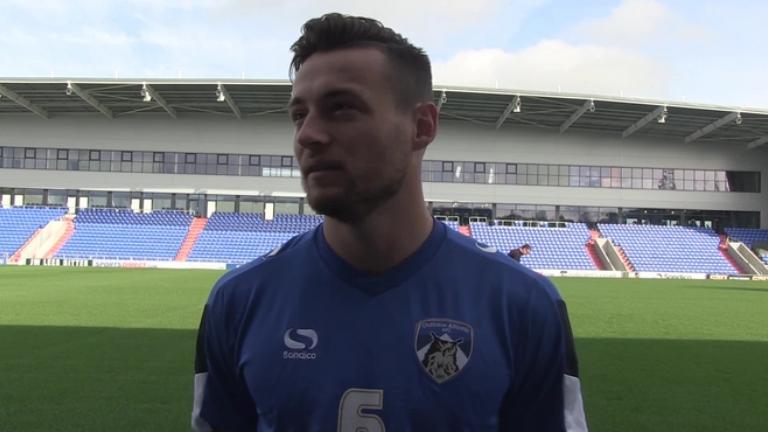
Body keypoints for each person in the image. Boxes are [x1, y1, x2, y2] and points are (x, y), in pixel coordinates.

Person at [192, 13, 587, 432]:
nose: (307, 135)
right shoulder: (238, 301)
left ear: (422, 126)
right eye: (299, 115)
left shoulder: (522, 305)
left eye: (342, 108)